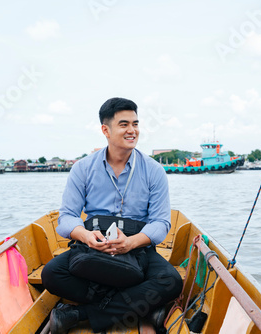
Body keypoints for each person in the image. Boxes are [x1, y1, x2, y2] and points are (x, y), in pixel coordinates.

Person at [42, 97, 183, 333]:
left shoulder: (154, 170)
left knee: (171, 282)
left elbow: (160, 222)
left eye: (135, 124)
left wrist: (130, 243)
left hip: (137, 247)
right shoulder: (83, 168)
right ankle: (141, 306)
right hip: (92, 246)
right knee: (51, 274)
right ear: (105, 130)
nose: (132, 131)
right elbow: (66, 217)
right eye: (124, 124)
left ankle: (79, 314)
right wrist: (86, 237)